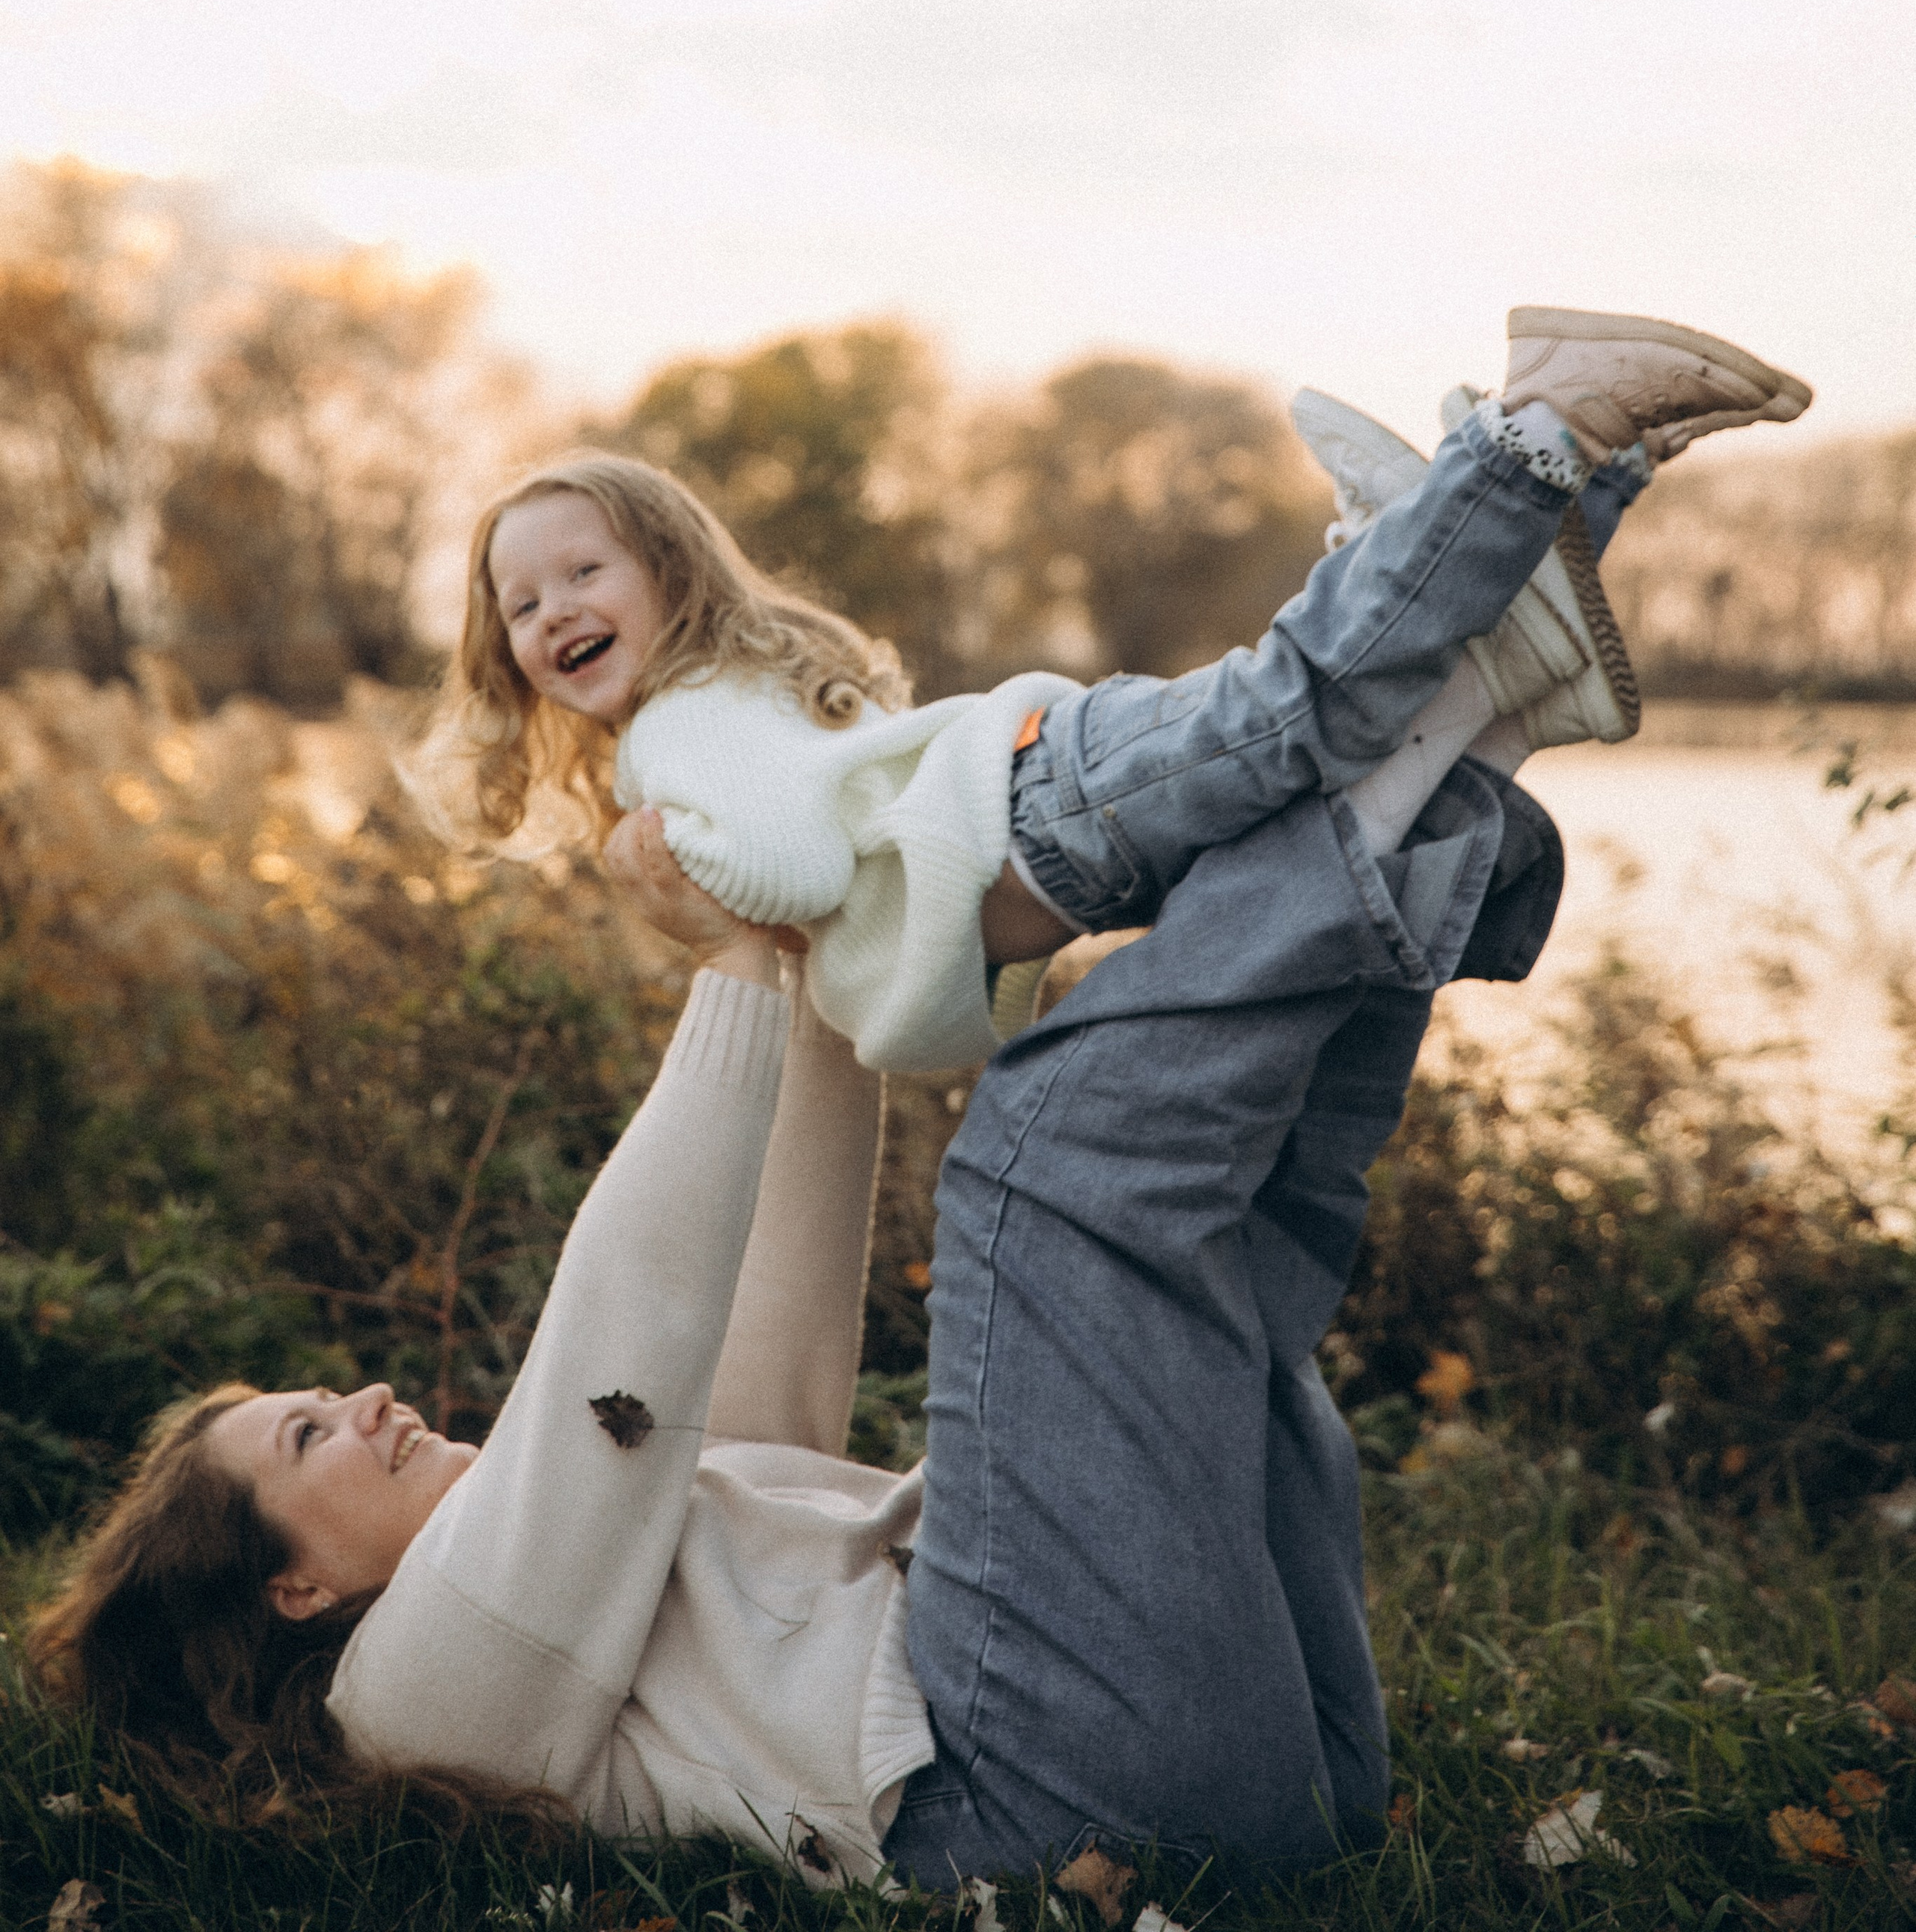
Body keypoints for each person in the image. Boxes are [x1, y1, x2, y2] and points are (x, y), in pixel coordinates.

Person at [32, 308, 1807, 1886]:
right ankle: (1471, 635)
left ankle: (1466, 712)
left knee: (1219, 1237)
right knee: (1041, 1170)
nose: (357, 1399)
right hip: (1038, 1790)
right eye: (302, 1439)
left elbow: (766, 1352)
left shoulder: (619, 1572)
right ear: (290, 1590)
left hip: (1233, 1758)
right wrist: (723, 974)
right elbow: (610, 1377)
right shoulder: (416, 1696)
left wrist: (785, 970)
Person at [418, 308, 1809, 1071]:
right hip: (1057, 807)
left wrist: (680, 882)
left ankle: (1529, 437)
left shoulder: (677, 734)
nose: (553, 616)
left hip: (1053, 811)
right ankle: (1566, 485)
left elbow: (787, 861)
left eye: (579, 574)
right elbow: (903, 920)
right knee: (1325, 733)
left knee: (1300, 709)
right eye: (520, 605)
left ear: (665, 571)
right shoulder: (733, 701)